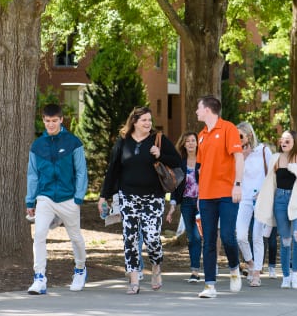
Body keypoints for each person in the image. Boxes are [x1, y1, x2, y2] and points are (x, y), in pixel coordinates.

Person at [98, 106, 182, 295]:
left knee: (152, 237)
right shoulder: (123, 142)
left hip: (153, 197)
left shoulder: (158, 140)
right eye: (144, 120)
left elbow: (177, 161)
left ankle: (156, 266)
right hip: (128, 196)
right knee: (130, 238)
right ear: (134, 122)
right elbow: (113, 170)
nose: (148, 123)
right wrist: (104, 196)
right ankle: (134, 279)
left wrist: (160, 155)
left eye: (149, 120)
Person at [25, 104, 89, 295]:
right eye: (47, 121)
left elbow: (81, 171)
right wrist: (30, 201)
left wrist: (78, 197)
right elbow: (32, 175)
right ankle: (39, 278)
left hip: (69, 197)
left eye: (54, 121)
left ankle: (80, 269)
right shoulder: (37, 146)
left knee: (75, 236)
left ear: (61, 120)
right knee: (39, 235)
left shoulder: (73, 143)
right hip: (45, 197)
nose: (50, 124)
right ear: (43, 121)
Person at [194, 95, 245, 299]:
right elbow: (200, 168)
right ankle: (209, 286)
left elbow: (238, 157)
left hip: (227, 192)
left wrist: (238, 185)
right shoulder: (201, 135)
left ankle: (234, 267)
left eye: (198, 108)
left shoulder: (228, 128)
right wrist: (199, 194)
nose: (196, 111)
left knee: (227, 236)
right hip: (206, 195)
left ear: (207, 109)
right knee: (208, 241)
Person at [254, 130, 297, 289]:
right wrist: (262, 196)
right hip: (280, 200)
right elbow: (270, 182)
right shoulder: (275, 158)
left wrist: (296, 169)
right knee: (285, 240)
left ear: (295, 142)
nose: (283, 142)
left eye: (287, 140)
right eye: (282, 140)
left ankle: (295, 274)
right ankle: (286, 276)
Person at [235, 122, 274, 287]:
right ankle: (250, 263)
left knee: (257, 236)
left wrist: (264, 192)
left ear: (249, 135)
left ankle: (257, 272)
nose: (239, 139)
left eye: (241, 136)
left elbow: (272, 173)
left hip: (261, 198)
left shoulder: (263, 150)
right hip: (244, 198)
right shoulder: (237, 153)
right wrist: (242, 156)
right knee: (241, 235)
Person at [168, 131, 202, 283]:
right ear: (183, 144)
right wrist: (172, 206)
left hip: (204, 204)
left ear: (197, 143)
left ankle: (208, 268)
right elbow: (176, 187)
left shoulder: (204, 161)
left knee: (204, 236)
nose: (190, 143)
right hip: (187, 203)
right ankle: (194, 271)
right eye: (187, 141)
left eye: (193, 140)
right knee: (193, 237)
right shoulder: (180, 163)